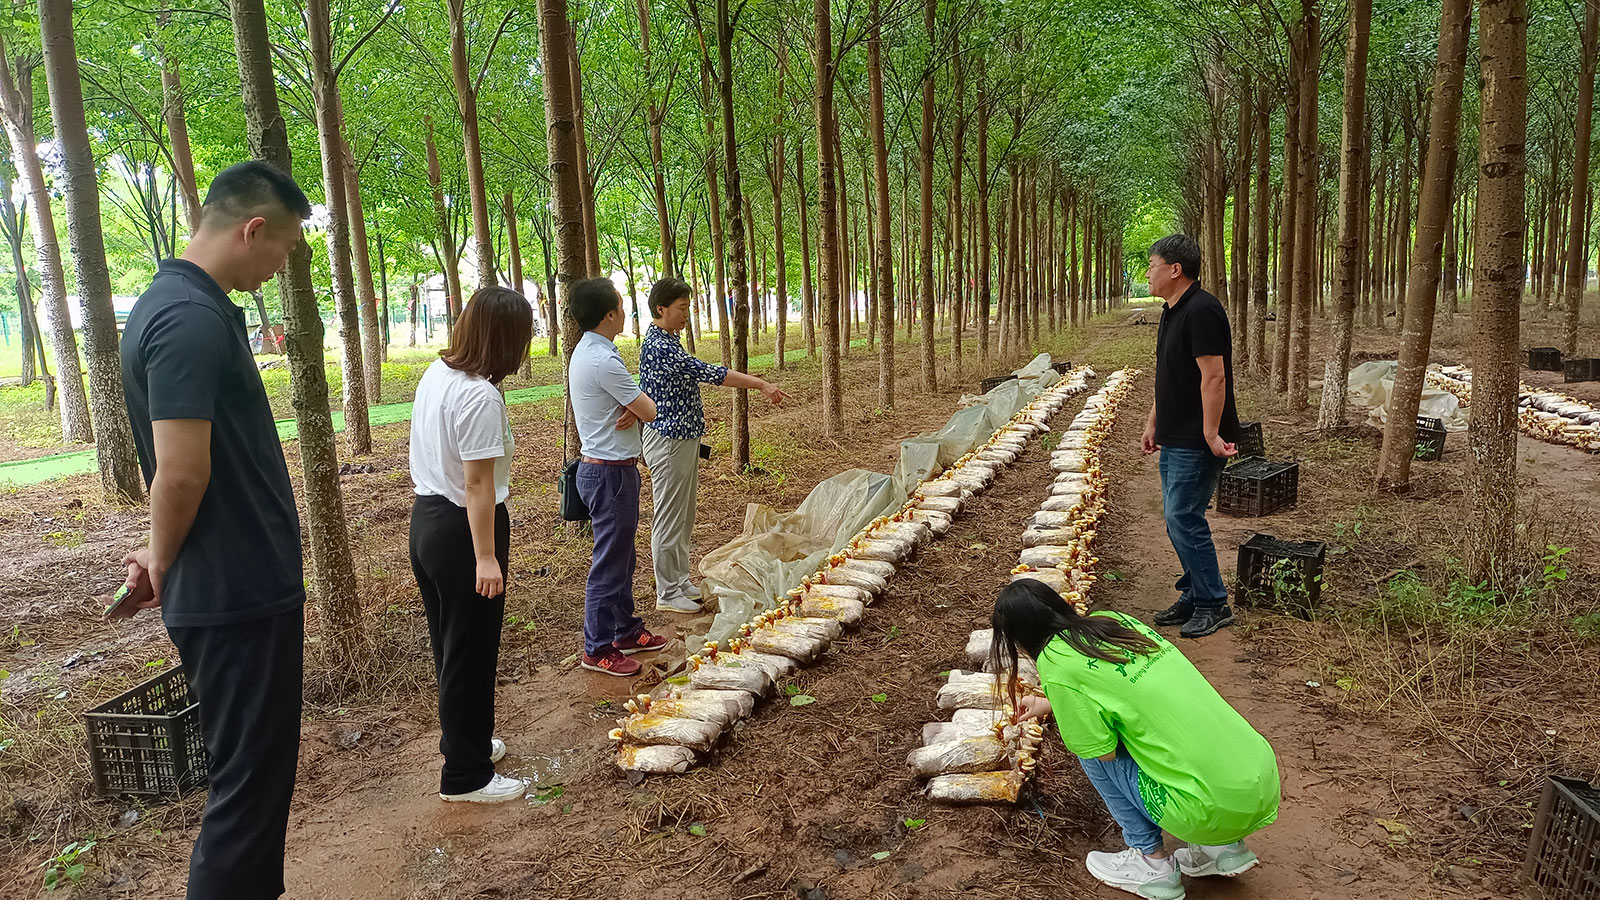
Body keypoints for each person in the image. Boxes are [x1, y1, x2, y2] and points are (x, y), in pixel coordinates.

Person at [117, 161, 312, 900]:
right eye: (283, 249)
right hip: (235, 593)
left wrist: (155, 546)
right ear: (251, 229)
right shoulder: (188, 318)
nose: (280, 265)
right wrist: (163, 556)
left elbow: (182, 470)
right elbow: (182, 471)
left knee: (255, 787)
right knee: (246, 793)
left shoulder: (180, 306)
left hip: (236, 582)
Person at [991, 579, 1280, 900]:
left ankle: (1150, 863)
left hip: (1208, 810)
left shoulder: (1055, 662)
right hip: (1260, 783)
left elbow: (1102, 751)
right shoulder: (1114, 621)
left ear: (1018, 637)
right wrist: (1049, 705)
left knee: (1089, 749)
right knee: (1174, 726)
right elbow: (1129, 693)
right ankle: (1223, 848)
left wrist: (1068, 711)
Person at [408, 286, 533, 803]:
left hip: (429, 521)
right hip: (464, 531)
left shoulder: (440, 373)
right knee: (472, 651)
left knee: (453, 647)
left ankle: (468, 742)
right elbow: (478, 484)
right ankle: (466, 776)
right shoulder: (479, 394)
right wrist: (485, 556)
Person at [638, 277, 787, 613]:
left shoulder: (669, 340)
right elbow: (711, 373)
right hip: (668, 439)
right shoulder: (660, 346)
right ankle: (667, 591)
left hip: (684, 438)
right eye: (681, 308)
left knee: (684, 514)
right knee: (669, 517)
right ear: (661, 309)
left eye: (688, 307)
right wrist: (760, 383)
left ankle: (679, 580)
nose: (686, 314)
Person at [1140, 234, 1241, 639]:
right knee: (1175, 518)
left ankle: (1213, 603)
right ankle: (1195, 592)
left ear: (1175, 269)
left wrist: (1211, 433)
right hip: (1176, 433)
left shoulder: (1202, 310)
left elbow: (1213, 376)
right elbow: (1170, 376)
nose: (1147, 273)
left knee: (1184, 517)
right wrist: (1153, 423)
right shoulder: (1172, 310)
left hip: (1197, 439)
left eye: (1152, 265)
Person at [568, 277, 669, 676]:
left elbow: (638, 404)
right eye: (622, 307)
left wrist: (634, 403)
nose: (626, 312)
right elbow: (650, 411)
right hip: (609, 475)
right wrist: (638, 404)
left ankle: (625, 629)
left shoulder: (591, 353)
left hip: (609, 470)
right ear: (610, 314)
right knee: (609, 563)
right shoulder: (603, 360)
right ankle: (596, 647)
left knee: (622, 558)